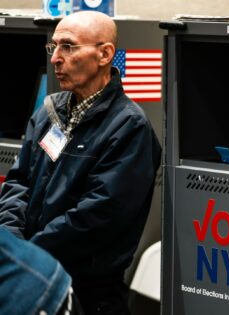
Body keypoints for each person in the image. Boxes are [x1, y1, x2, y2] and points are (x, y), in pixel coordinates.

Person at [0, 10, 161, 315]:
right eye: (54, 47)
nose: (56, 58)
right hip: (33, 281)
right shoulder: (49, 112)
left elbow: (97, 217)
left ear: (104, 54)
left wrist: (30, 256)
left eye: (69, 47)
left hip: (90, 295)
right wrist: (12, 246)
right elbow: (19, 183)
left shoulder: (129, 127)